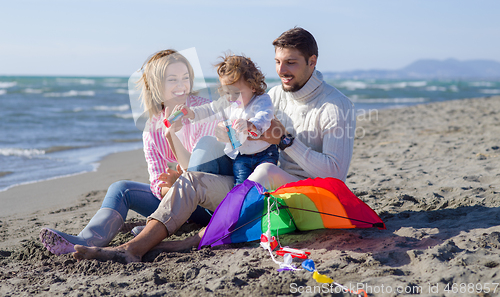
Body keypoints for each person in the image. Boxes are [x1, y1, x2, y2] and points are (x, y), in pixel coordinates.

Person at [72, 27, 356, 263]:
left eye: (291, 62)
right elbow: (228, 115)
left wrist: (285, 141)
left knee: (266, 170)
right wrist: (227, 136)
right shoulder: (274, 95)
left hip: (306, 196)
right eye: (278, 62)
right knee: (192, 180)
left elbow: (335, 176)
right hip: (260, 187)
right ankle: (134, 248)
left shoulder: (336, 106)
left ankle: (190, 239)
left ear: (313, 61)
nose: (282, 70)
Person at [39, 50, 217, 255]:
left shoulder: (203, 111)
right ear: (156, 85)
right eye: (172, 79)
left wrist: (179, 181)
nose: (181, 85)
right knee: (121, 189)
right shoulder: (151, 127)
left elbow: (203, 168)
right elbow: (156, 183)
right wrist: (171, 188)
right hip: (176, 199)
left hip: (207, 205)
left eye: (185, 78)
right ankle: (86, 240)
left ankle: (157, 229)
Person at [181, 54, 278, 185]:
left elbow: (265, 115)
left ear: (253, 86)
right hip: (241, 155)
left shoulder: (261, 99)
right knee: (241, 184)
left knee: (265, 182)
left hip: (265, 153)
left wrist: (251, 124)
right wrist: (191, 112)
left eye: (236, 93)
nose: (231, 97)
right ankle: (241, 204)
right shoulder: (228, 102)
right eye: (227, 92)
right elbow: (210, 110)